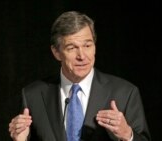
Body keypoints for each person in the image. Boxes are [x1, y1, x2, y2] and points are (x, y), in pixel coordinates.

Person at [9, 11, 151, 141]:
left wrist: (127, 135)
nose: (82, 56)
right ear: (56, 52)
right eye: (72, 48)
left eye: (87, 46)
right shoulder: (33, 95)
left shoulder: (125, 92)